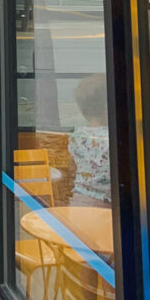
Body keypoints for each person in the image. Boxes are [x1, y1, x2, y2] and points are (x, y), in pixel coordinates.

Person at [68, 73, 111, 205]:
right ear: (107, 107)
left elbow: (72, 167)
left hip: (79, 200)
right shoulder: (112, 137)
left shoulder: (76, 135)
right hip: (107, 204)